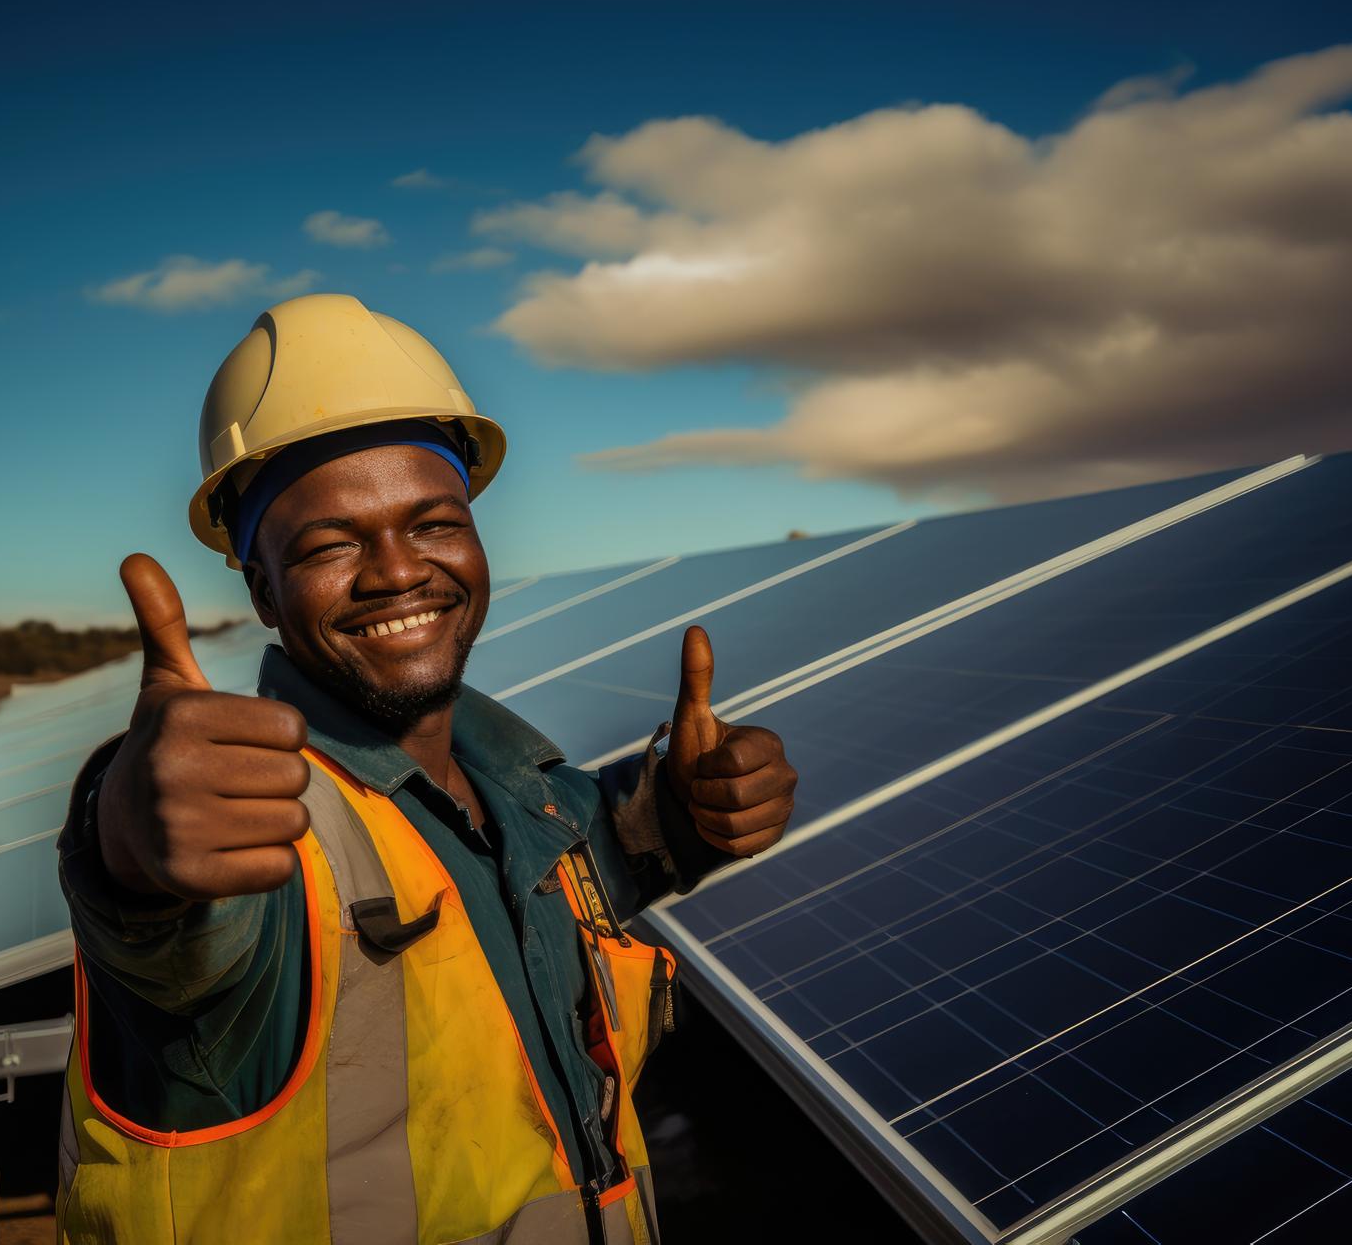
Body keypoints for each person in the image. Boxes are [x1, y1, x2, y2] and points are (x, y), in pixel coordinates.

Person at [54, 293, 796, 1244]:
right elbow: (165, 923)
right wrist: (122, 831)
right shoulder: (263, 839)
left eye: (434, 523)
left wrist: (694, 811)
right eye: (330, 545)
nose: (397, 571)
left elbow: (602, 844)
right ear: (263, 593)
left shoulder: (519, 798)